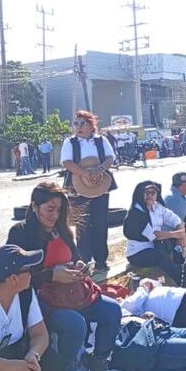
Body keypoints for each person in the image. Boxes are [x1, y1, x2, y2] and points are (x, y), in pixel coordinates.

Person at [7, 183, 123, 371]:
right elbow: (14, 275)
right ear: (34, 206)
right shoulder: (21, 233)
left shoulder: (63, 230)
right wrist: (51, 275)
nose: (55, 215)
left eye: (59, 210)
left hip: (72, 292)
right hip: (41, 299)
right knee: (75, 324)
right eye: (49, 209)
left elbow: (76, 256)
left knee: (112, 310)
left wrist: (81, 267)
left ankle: (98, 360)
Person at [60, 110, 116, 272]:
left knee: (100, 223)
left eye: (82, 123)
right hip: (77, 187)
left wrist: (99, 170)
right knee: (81, 225)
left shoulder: (101, 141)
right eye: (76, 123)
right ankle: (83, 260)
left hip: (100, 186)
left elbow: (110, 158)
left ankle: (101, 261)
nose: (78, 126)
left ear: (92, 126)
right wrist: (84, 173)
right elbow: (67, 162)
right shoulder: (70, 143)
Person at [123, 181, 186, 285]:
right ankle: (182, 280)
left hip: (153, 246)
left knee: (175, 245)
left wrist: (182, 235)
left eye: (153, 192)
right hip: (137, 253)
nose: (150, 195)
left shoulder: (157, 207)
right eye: (146, 192)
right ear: (141, 194)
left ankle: (183, 268)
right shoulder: (136, 213)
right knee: (160, 255)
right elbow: (154, 235)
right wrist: (176, 234)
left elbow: (175, 219)